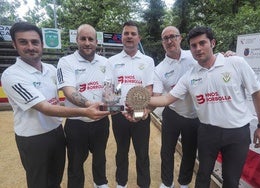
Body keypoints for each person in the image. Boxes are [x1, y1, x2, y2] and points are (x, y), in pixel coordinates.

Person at [149, 26, 260, 188]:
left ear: (212, 43)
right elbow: (166, 99)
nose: (198, 48)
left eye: (202, 43)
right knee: (203, 176)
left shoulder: (235, 62)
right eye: (194, 46)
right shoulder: (189, 76)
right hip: (207, 132)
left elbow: (257, 94)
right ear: (190, 48)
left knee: (231, 180)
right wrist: (137, 101)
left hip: (237, 133)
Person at [1, 22, 110, 188]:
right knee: (40, 182)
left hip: (56, 132)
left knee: (56, 179)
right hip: (33, 138)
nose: (30, 46)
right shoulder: (12, 75)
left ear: (42, 44)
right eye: (23, 42)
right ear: (14, 45)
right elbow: (46, 107)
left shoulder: (50, 70)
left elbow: (56, 100)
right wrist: (86, 110)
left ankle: (100, 183)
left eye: (34, 42)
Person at [56, 24, 111, 188]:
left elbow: (109, 90)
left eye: (90, 39)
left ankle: (100, 183)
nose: (87, 43)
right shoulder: (66, 62)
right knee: (75, 162)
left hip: (101, 122)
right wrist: (89, 106)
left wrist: (113, 103)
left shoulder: (105, 62)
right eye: (83, 38)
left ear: (96, 41)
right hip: (76, 123)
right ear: (77, 40)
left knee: (100, 157)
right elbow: (68, 90)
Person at [108, 20, 155, 188]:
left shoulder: (148, 61)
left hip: (140, 113)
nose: (129, 36)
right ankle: (122, 183)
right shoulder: (111, 61)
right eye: (126, 33)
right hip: (119, 113)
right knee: (121, 152)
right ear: (121, 37)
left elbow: (149, 88)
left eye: (133, 34)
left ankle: (144, 184)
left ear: (138, 38)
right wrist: (116, 108)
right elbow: (111, 89)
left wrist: (140, 109)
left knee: (142, 153)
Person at [153, 26, 199, 188]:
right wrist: (141, 108)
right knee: (167, 151)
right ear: (162, 43)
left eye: (173, 36)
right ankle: (167, 183)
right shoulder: (159, 69)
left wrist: (228, 55)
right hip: (172, 113)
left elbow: (212, 61)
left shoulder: (195, 56)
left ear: (180, 38)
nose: (169, 40)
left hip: (195, 115)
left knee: (189, 151)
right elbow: (157, 97)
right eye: (165, 38)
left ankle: (184, 182)